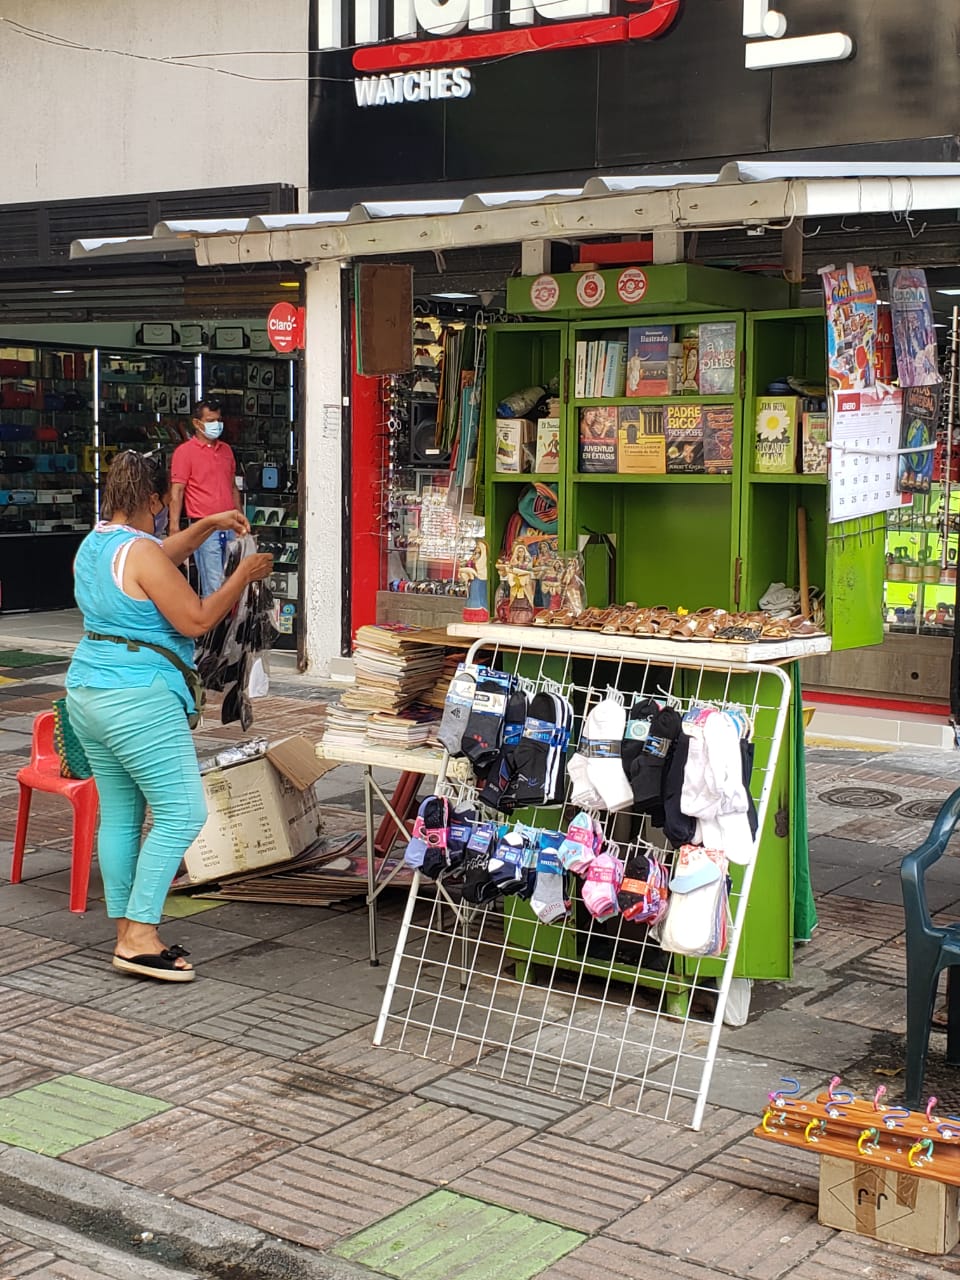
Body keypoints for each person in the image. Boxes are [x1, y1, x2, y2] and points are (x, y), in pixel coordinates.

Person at [65, 451, 272, 982]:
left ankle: (125, 931)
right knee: (182, 812)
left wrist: (207, 523)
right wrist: (243, 575)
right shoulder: (142, 552)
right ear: (156, 500)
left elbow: (160, 553)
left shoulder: (96, 544)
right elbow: (198, 617)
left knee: (122, 816)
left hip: (89, 690)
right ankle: (138, 935)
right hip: (137, 697)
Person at [168, 399, 244, 597]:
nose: (216, 425)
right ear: (196, 423)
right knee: (214, 585)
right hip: (205, 527)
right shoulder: (184, 453)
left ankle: (227, 626)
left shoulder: (226, 450)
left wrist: (241, 521)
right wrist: (174, 527)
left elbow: (233, 488)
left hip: (229, 525)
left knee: (233, 581)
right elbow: (177, 491)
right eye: (210, 420)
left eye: (218, 420)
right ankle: (215, 627)